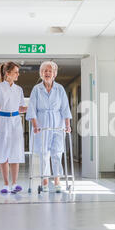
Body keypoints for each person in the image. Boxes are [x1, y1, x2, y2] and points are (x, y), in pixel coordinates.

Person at [26, 61, 72, 193]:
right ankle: (45, 181)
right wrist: (35, 125)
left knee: (57, 152)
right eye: (44, 71)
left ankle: (57, 180)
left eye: (49, 71)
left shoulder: (60, 89)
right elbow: (32, 109)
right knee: (44, 154)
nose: (47, 73)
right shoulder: (36, 89)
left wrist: (67, 126)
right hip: (42, 124)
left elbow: (65, 108)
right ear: (41, 73)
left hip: (57, 124)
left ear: (54, 74)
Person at [0, 62, 27, 194]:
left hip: (15, 121)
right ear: (7, 73)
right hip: (1, 121)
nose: (18, 74)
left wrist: (32, 108)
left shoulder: (19, 89)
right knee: (3, 153)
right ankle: (5, 184)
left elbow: (21, 108)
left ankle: (15, 183)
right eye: (15, 72)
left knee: (15, 152)